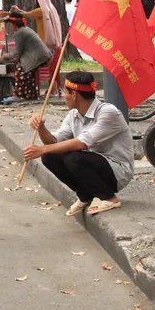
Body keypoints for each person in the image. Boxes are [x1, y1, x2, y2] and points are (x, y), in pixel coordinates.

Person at [24, 71, 134, 216]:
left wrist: (42, 149)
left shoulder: (108, 113)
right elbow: (54, 142)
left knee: (74, 157)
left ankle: (108, 197)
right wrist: (41, 128)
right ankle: (85, 195)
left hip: (117, 171)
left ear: (74, 95)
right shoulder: (73, 115)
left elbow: (82, 143)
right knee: (49, 157)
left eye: (65, 93)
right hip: (91, 165)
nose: (64, 98)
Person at [1, 12, 52, 104]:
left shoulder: (20, 33)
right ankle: (29, 95)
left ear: (14, 24)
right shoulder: (24, 30)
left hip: (39, 57)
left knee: (21, 69)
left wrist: (4, 57)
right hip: (43, 56)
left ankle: (18, 95)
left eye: (11, 24)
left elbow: (17, 52)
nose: (10, 26)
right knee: (25, 69)